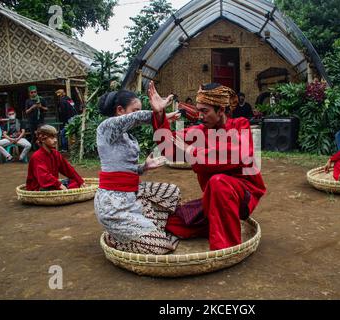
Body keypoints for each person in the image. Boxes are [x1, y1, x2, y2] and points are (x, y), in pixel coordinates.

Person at [150, 81, 267, 251]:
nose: (200, 116)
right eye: (198, 111)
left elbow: (235, 155)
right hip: (213, 198)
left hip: (243, 195)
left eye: (205, 111)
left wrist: (190, 150)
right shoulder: (200, 130)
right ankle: (215, 224)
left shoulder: (241, 125)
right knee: (174, 222)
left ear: (220, 110)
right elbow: (169, 148)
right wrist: (159, 114)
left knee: (218, 182)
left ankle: (226, 250)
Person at [94, 90, 183, 255]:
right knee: (162, 248)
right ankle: (116, 239)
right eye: (135, 109)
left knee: (171, 192)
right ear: (120, 110)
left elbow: (124, 168)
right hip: (113, 204)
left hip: (133, 192)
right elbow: (134, 119)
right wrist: (157, 114)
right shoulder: (105, 129)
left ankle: (151, 230)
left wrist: (144, 167)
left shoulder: (128, 137)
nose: (137, 114)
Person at [26, 125, 85, 191]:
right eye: (52, 138)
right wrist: (59, 185)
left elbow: (68, 169)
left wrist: (80, 181)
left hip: (53, 184)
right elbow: (44, 177)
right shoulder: (37, 156)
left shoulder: (56, 154)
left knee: (75, 181)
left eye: (55, 137)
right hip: (39, 186)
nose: (55, 140)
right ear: (42, 139)